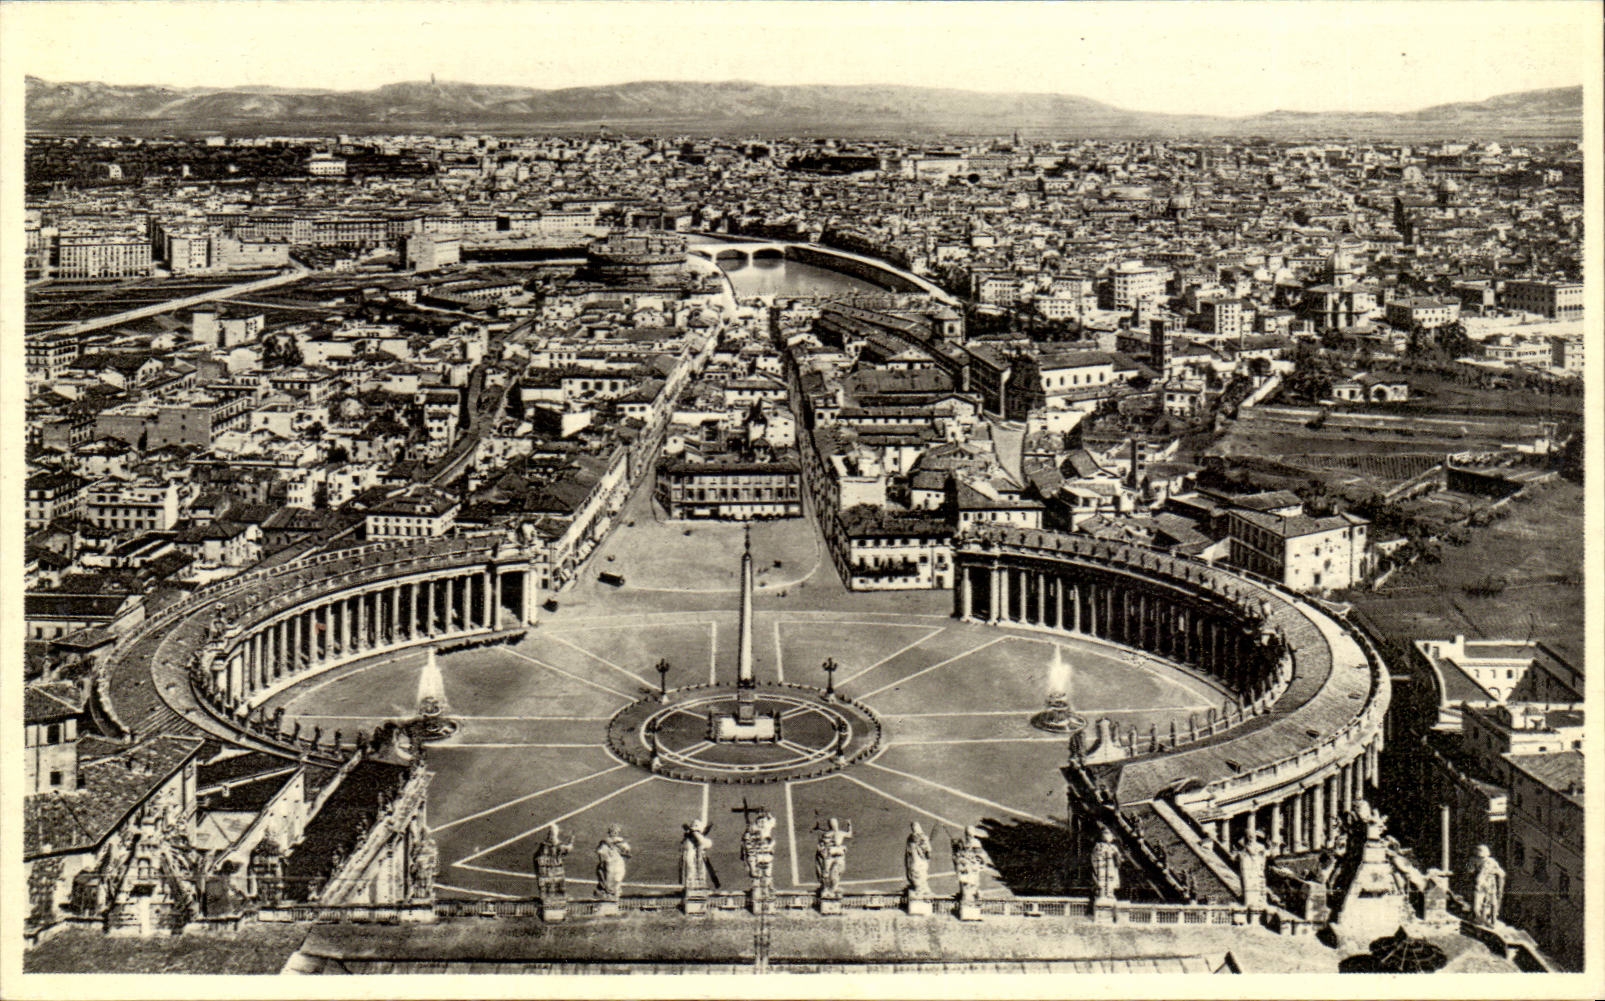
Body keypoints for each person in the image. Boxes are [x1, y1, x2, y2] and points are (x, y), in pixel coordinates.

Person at [814, 818, 852, 894]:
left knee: (831, 872)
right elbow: (849, 834)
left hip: (831, 855)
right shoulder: (839, 833)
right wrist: (849, 825)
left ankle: (830, 888)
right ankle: (828, 888)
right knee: (830, 872)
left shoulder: (827, 834)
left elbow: (822, 843)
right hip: (835, 855)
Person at [1472, 844, 1506, 926]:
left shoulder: (1491, 862)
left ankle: (1492, 920)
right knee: (1479, 905)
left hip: (1489, 885)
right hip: (1483, 885)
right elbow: (1471, 870)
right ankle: (1482, 919)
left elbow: (1501, 873)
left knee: (1492, 903)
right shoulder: (1475, 860)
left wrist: (1494, 872)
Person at [595, 824, 631, 901]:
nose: (614, 833)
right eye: (613, 832)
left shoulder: (606, 842)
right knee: (612, 879)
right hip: (613, 863)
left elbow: (600, 852)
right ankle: (610, 894)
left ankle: (611, 894)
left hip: (614, 863)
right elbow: (627, 850)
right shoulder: (615, 842)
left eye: (615, 832)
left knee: (614, 879)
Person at [680, 819, 713, 892]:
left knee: (691, 872)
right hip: (693, 859)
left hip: (691, 858)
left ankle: (693, 884)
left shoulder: (688, 838)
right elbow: (705, 843)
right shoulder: (695, 836)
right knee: (693, 871)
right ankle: (695, 885)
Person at [1091, 827, 1122, 901]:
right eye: (1105, 833)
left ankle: (1110, 893)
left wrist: (1116, 855)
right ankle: (1101, 893)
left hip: (1111, 867)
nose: (1107, 835)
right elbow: (1094, 857)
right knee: (1101, 879)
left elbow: (1118, 860)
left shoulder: (1113, 847)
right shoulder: (1098, 846)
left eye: (1109, 833)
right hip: (1101, 866)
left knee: (1111, 878)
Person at [904, 822, 932, 898]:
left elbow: (907, 855)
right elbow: (928, 854)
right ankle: (920, 890)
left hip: (914, 863)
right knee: (921, 877)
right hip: (920, 863)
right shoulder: (924, 838)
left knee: (917, 877)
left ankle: (919, 889)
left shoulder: (910, 839)